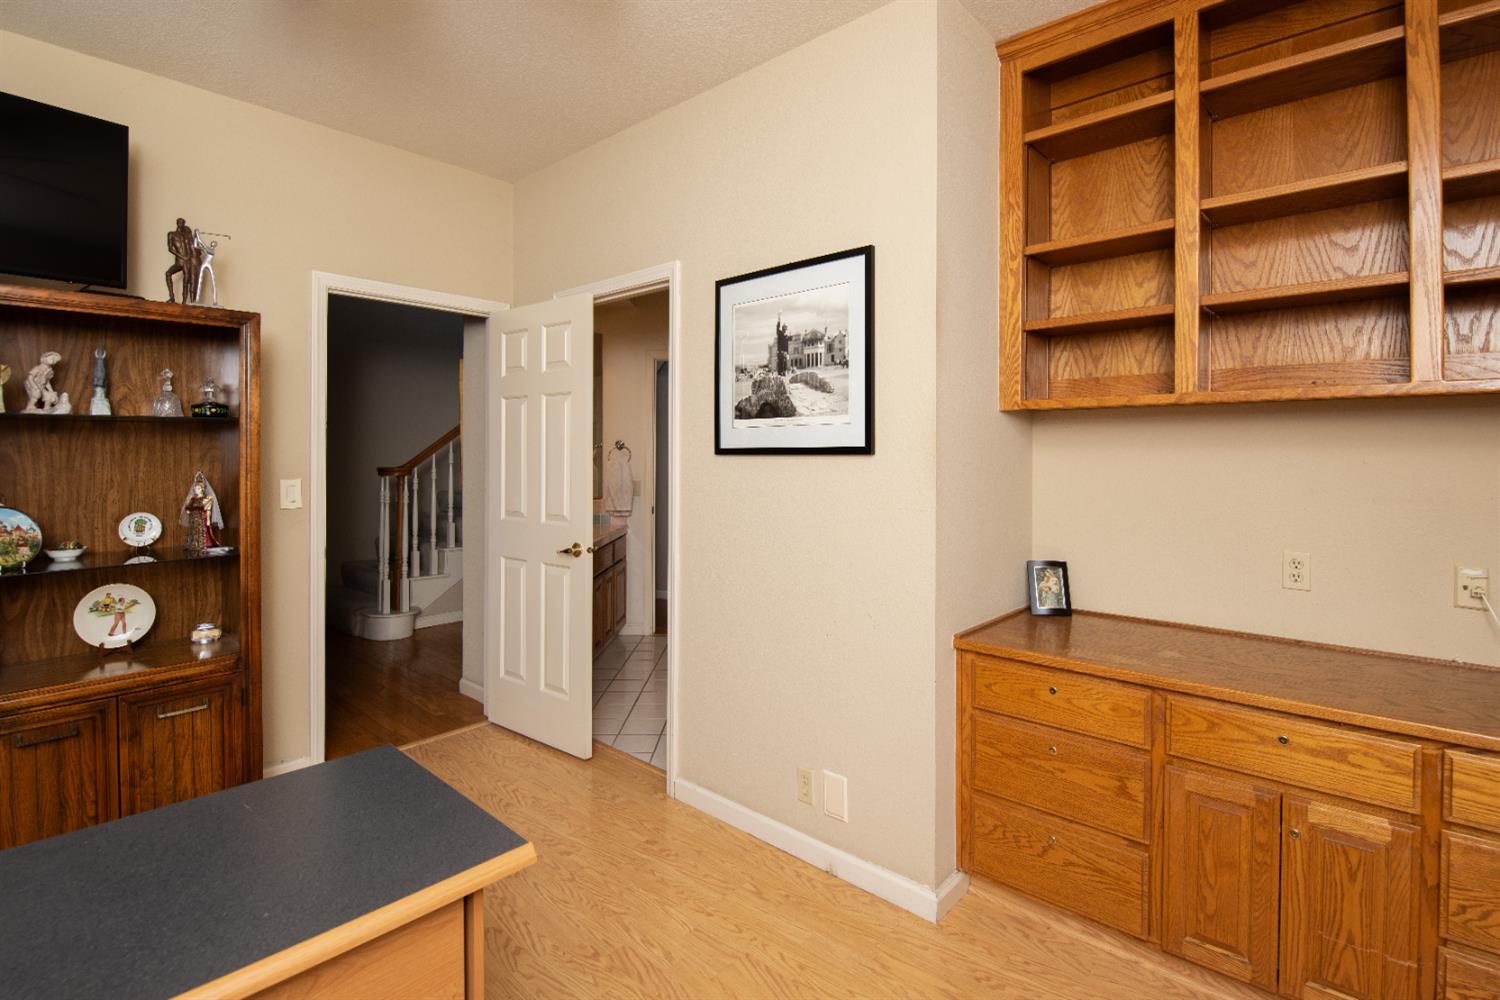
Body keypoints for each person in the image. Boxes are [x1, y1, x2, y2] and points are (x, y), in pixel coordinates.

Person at [165, 218, 198, 303]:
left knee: (186, 280)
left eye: (183, 223)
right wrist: (182, 256)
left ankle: (184, 302)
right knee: (168, 273)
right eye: (180, 222)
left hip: (187, 261)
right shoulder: (171, 234)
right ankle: (172, 297)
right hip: (180, 261)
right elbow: (170, 248)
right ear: (177, 223)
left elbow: (192, 248)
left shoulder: (186, 235)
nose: (181, 224)